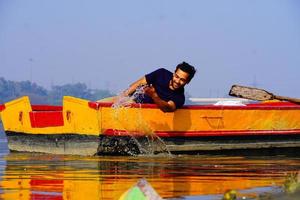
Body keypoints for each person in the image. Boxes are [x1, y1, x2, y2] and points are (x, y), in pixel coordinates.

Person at [123, 62, 196, 112]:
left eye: (182, 80)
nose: (177, 81)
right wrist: (122, 97)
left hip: (146, 113)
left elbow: (167, 108)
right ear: (174, 73)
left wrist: (154, 95)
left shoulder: (179, 98)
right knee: (118, 101)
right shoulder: (161, 73)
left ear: (187, 82)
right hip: (132, 101)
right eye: (177, 76)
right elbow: (139, 83)